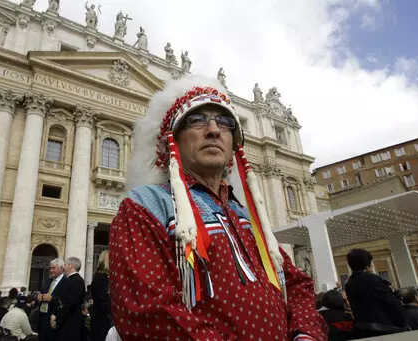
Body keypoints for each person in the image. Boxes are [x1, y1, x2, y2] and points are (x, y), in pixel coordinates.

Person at [109, 75, 327, 340]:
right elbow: (148, 312)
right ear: (172, 140)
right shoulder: (143, 207)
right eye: (197, 119)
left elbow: (295, 283)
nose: (213, 130)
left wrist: (306, 334)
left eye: (225, 122)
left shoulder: (243, 214)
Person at [345, 249, 408, 338]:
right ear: (367, 265)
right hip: (383, 328)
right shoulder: (372, 279)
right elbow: (390, 302)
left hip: (362, 328)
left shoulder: (349, 283)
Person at [54, 257, 85, 341]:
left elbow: (69, 303)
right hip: (67, 321)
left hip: (71, 322)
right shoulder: (71, 279)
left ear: (71, 266)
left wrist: (57, 319)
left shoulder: (76, 280)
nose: (63, 267)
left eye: (65, 264)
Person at [37, 258, 67, 341]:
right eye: (50, 268)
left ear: (61, 268)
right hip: (43, 318)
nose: (51, 270)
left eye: (53, 268)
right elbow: (42, 292)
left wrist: (52, 299)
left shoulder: (66, 281)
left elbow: (66, 302)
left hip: (54, 319)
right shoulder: (49, 280)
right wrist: (38, 297)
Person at [90, 250, 113, 341]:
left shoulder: (101, 277)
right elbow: (103, 303)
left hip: (101, 319)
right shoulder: (101, 278)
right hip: (102, 322)